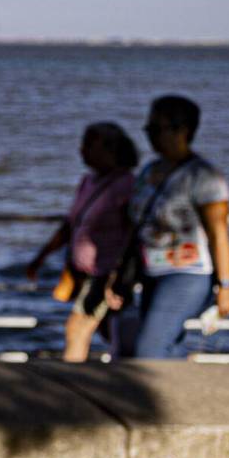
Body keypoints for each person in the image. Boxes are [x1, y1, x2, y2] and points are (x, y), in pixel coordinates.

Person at [106, 95, 229, 358]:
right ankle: (183, 398)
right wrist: (118, 273)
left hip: (187, 274)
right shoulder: (148, 171)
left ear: (182, 130)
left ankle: (149, 398)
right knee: (170, 348)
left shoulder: (204, 177)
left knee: (149, 349)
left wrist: (226, 286)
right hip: (149, 272)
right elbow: (135, 227)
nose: (150, 135)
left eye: (156, 128)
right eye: (148, 129)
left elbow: (218, 234)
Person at [27, 123, 138, 362]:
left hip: (106, 273)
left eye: (90, 143)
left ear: (111, 149)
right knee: (109, 330)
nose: (82, 150)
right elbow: (71, 225)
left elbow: (134, 232)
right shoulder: (88, 182)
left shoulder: (126, 185)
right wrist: (41, 257)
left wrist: (120, 276)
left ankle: (72, 385)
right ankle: (145, 362)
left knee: (77, 328)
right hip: (82, 271)